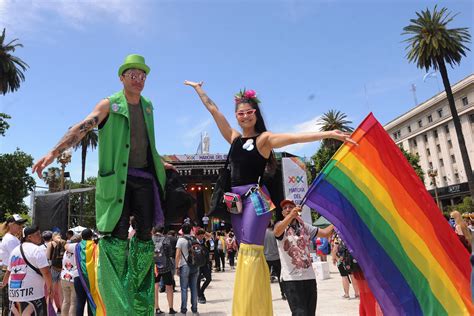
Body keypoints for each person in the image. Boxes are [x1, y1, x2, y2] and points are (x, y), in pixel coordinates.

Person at [185, 81, 353, 315]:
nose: (244, 116)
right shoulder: (233, 138)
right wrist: (198, 89)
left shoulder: (264, 139)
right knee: (245, 249)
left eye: (249, 112)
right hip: (236, 201)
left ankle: (252, 310)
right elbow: (214, 110)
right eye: (240, 113)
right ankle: (249, 307)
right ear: (236, 116)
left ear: (256, 114)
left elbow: (295, 138)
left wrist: (328, 133)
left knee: (252, 250)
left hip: (257, 199)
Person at [32, 54, 174, 315]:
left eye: (143, 75)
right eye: (133, 74)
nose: (139, 79)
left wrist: (159, 162)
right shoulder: (110, 104)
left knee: (144, 237)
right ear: (122, 77)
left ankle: (140, 302)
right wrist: (53, 153)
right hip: (117, 181)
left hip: (144, 178)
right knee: (116, 237)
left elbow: (145, 142)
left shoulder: (148, 106)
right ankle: (116, 302)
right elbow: (82, 127)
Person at [274, 199, 334, 315]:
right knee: (300, 313)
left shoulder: (304, 226)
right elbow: (277, 231)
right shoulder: (280, 226)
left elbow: (326, 233)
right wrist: (291, 216)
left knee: (310, 313)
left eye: (290, 207)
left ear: (296, 209)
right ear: (282, 213)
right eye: (285, 208)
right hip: (292, 279)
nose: (288, 209)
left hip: (309, 277)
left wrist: (337, 222)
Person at [1, 226, 53, 315]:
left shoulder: (15, 250)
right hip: (33, 294)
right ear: (29, 237)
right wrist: (50, 288)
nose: (40, 236)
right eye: (37, 234)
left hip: (15, 294)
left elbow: (9, 271)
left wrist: (4, 284)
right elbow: (46, 272)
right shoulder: (37, 250)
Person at [0, 214, 27, 315]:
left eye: (21, 224)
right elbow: (18, 258)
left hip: (10, 271)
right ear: (10, 224)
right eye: (18, 223)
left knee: (10, 302)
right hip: (10, 272)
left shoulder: (11, 238)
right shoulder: (10, 239)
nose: (21, 226)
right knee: (10, 303)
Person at [175, 223, 199, 315]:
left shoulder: (180, 240)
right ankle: (194, 310)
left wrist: (177, 267)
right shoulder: (195, 239)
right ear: (190, 230)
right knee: (194, 288)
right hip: (195, 266)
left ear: (182, 230)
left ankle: (184, 310)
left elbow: (177, 255)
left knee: (184, 289)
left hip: (184, 266)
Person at [152, 226, 176, 315]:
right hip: (166, 267)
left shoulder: (151, 239)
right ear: (163, 231)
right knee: (169, 287)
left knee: (155, 287)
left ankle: (157, 308)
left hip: (155, 268)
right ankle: (171, 308)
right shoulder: (166, 240)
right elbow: (170, 253)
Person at [332, 235, 360, 299]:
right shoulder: (348, 232)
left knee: (344, 276)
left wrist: (333, 258)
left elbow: (335, 248)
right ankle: (357, 293)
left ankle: (346, 294)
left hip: (341, 259)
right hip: (351, 258)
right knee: (352, 275)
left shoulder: (337, 235)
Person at [60, 235, 80, 316]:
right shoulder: (77, 250)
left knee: (66, 301)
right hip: (73, 278)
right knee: (73, 302)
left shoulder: (66, 251)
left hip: (64, 277)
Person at [264, 223, 285, 300]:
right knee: (280, 277)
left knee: (266, 278)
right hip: (276, 257)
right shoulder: (275, 232)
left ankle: (266, 296)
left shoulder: (262, 233)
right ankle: (283, 293)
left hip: (266, 258)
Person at [47, 232, 65, 313]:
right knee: (61, 292)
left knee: (52, 291)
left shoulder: (51, 243)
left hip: (53, 269)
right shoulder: (64, 243)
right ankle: (61, 309)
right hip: (62, 269)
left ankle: (51, 310)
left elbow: (47, 257)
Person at [196, 229, 212, 304]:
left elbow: (210, 236)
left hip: (205, 264)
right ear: (197, 235)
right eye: (200, 235)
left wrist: (203, 231)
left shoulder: (205, 241)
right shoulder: (194, 242)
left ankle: (201, 292)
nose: (202, 236)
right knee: (198, 280)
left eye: (203, 235)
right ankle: (199, 296)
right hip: (197, 264)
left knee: (209, 278)